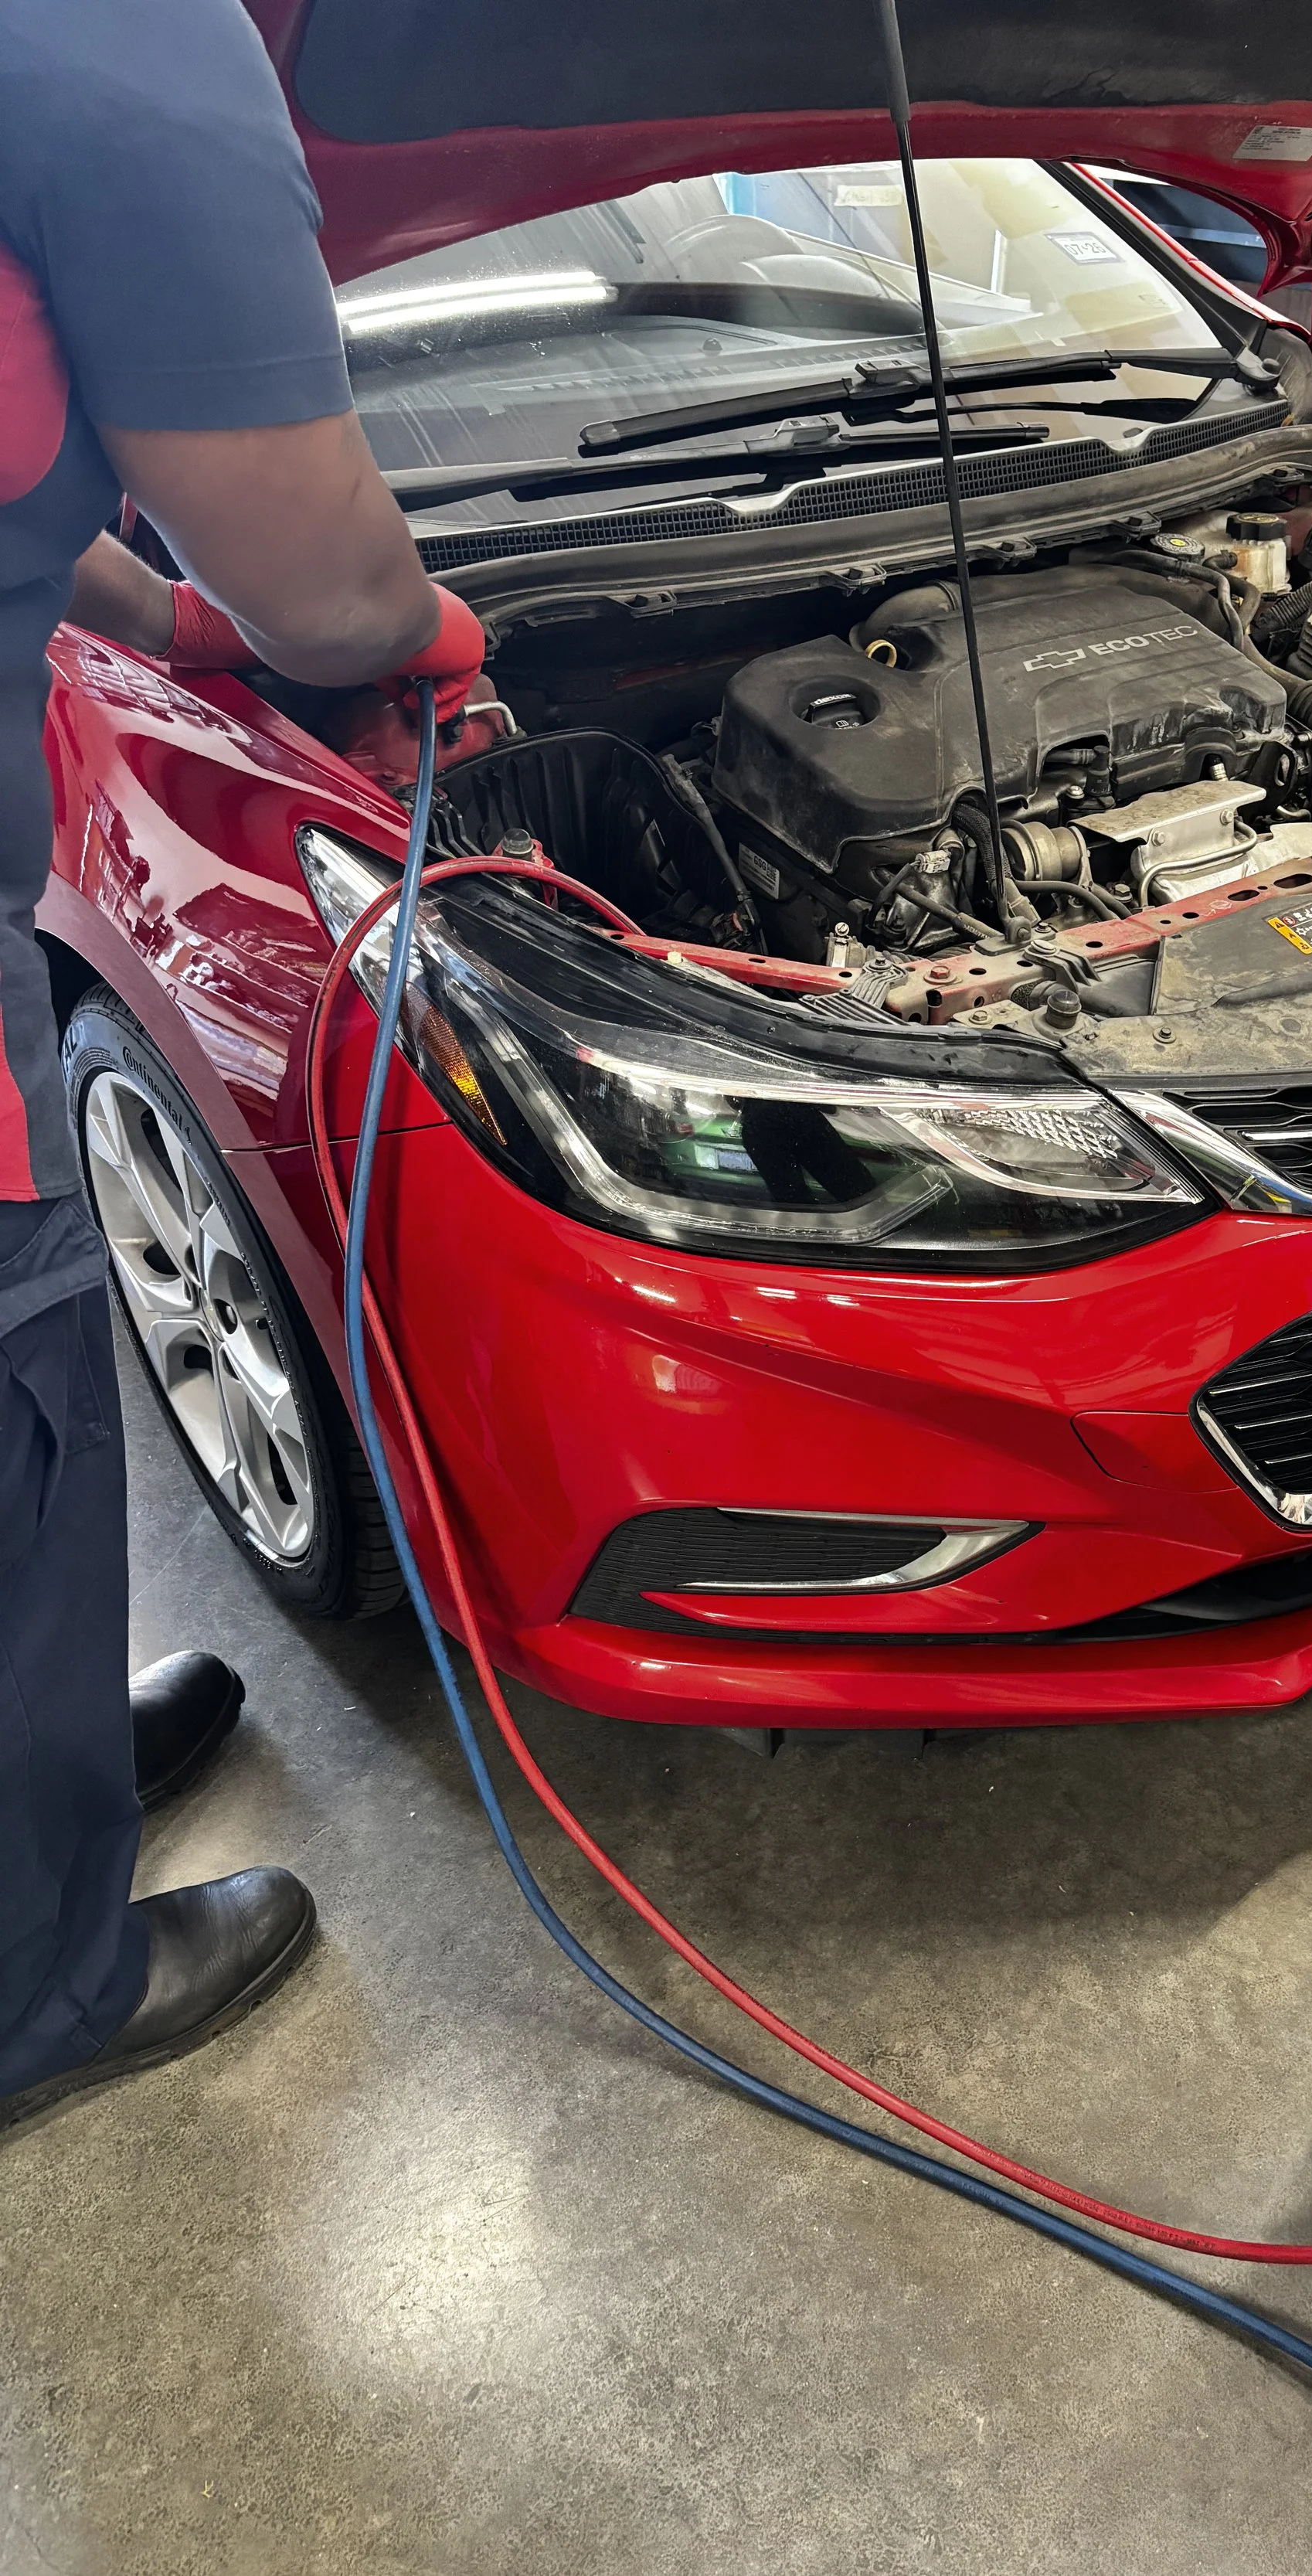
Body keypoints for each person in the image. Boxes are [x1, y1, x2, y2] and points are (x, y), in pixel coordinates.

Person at [0, 0, 484, 2125]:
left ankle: (50, 1767)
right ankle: (43, 1983)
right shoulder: (116, 37)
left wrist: (166, 621)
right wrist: (409, 633)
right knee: (16, 1412)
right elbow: (329, 575)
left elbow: (29, 450)